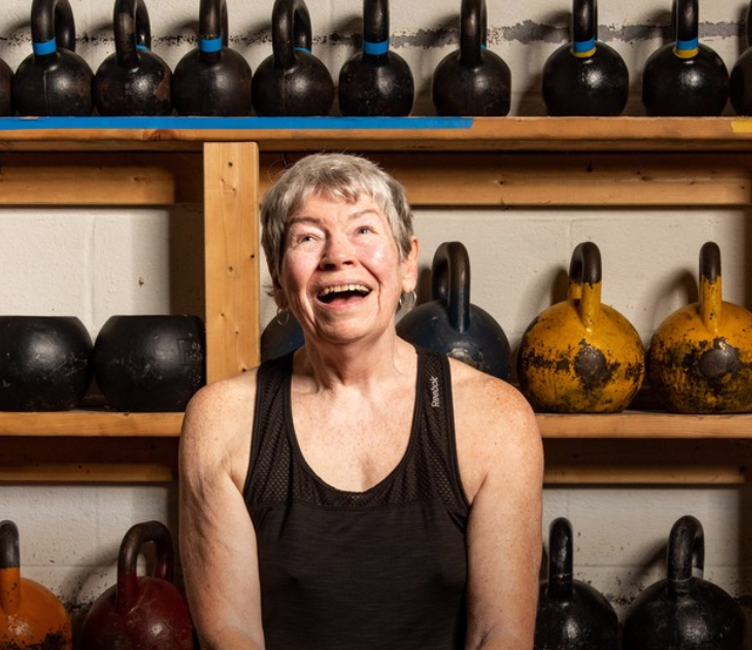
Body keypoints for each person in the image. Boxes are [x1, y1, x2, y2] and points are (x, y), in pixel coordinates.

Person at [179, 152, 543, 650]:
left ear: (408, 263)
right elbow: (232, 634)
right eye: (307, 237)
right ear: (279, 279)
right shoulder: (222, 419)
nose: (337, 255)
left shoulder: (495, 417)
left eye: (364, 231)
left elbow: (499, 635)